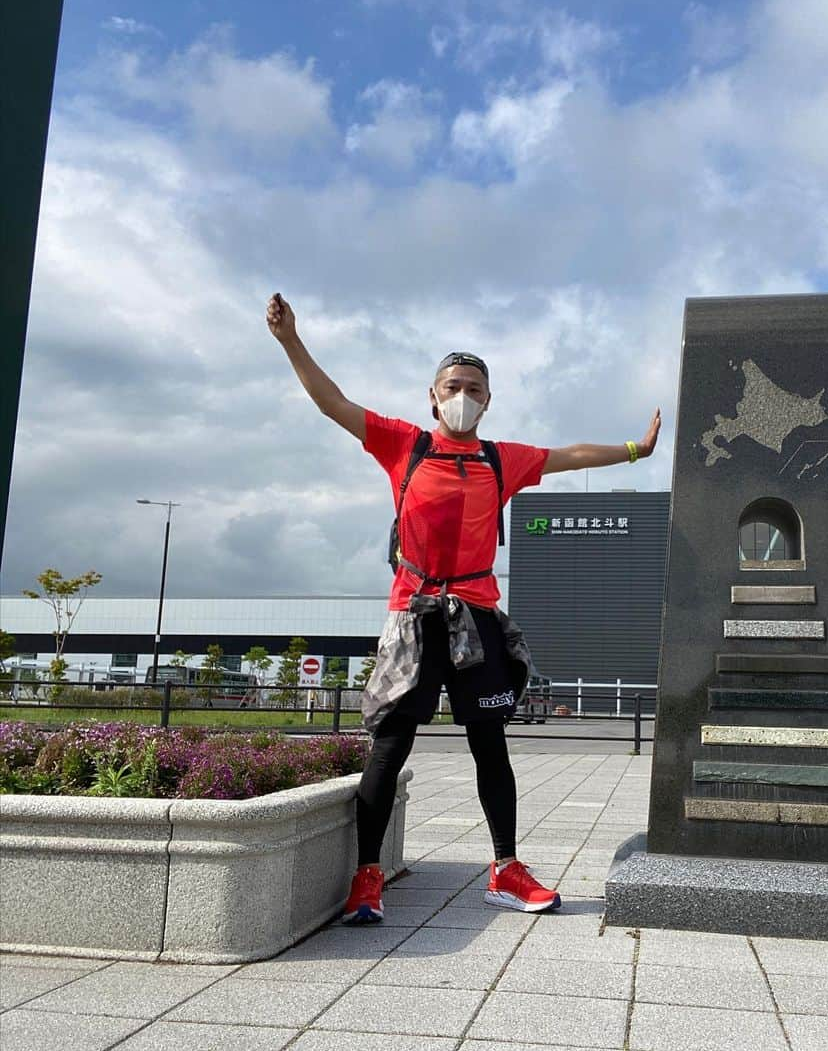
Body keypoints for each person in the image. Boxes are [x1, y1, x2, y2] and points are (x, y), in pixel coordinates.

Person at [266, 293, 661, 923]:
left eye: (475, 387)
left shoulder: (502, 460)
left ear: (488, 399)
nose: (463, 395)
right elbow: (332, 403)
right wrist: (291, 341)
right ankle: (367, 878)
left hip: (477, 616)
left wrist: (634, 451)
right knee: (389, 747)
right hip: (413, 616)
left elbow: (572, 456)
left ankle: (505, 868)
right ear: (432, 395)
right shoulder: (405, 446)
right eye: (453, 385)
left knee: (490, 746)